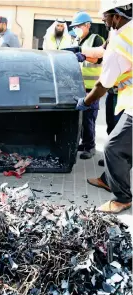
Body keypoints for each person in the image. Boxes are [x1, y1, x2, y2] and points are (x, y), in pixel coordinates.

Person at [76, 0, 132, 213]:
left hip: (128, 100)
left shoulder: (120, 44)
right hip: (126, 98)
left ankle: (122, 198)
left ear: (117, 16)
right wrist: (81, 50)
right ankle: (109, 178)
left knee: (113, 147)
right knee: (124, 145)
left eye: (106, 17)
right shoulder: (124, 31)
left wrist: (85, 102)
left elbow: (102, 85)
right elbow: (103, 50)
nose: (103, 21)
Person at [69, 11, 104, 160]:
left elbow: (100, 59)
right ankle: (84, 142)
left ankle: (90, 147)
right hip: (79, 86)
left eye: (78, 26)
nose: (76, 29)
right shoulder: (77, 41)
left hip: (92, 87)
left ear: (87, 25)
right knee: (81, 117)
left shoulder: (96, 39)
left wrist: (84, 56)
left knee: (89, 118)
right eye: (74, 26)